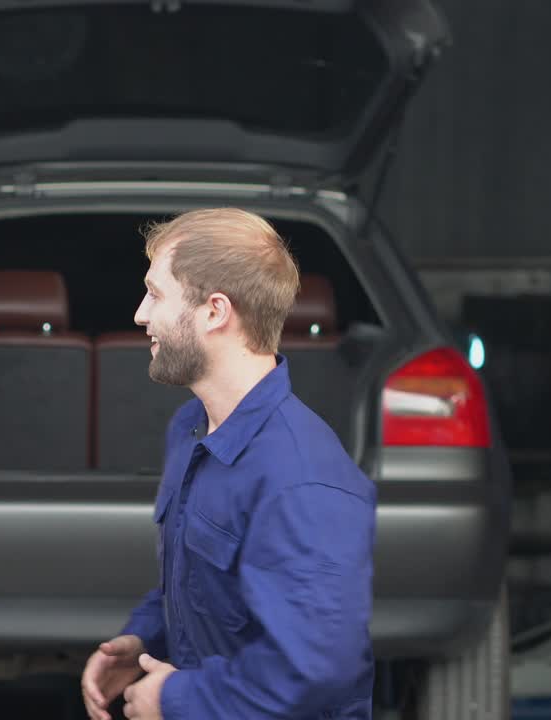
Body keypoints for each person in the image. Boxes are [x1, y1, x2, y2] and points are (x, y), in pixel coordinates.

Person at [81, 208, 377, 720]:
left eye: (155, 294)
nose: (140, 314)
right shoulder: (191, 429)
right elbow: (204, 583)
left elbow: (312, 671)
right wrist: (145, 637)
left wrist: (173, 698)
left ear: (215, 311)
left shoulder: (302, 480)